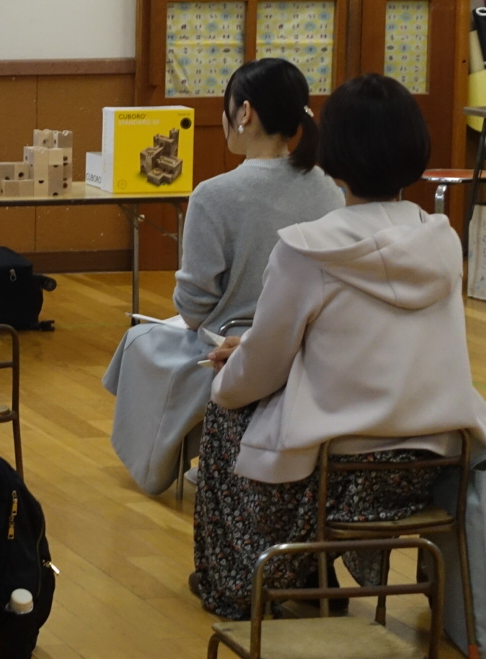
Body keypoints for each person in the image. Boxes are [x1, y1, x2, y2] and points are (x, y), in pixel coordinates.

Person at [191, 74, 486, 620]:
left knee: (224, 411)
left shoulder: (307, 249)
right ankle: (308, 571)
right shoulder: (442, 239)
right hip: (428, 459)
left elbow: (262, 371)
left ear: (333, 151)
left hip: (340, 467)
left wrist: (231, 372)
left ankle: (243, 581)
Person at [102, 58, 343, 494]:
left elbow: (194, 308)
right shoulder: (329, 189)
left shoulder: (214, 195)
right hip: (312, 342)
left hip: (230, 345)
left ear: (244, 112)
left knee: (138, 343)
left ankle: (184, 458)